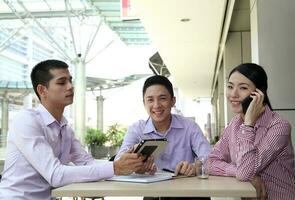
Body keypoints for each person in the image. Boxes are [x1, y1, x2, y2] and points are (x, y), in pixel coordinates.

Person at [0, 59, 146, 200]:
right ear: (42, 90)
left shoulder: (64, 127)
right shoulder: (26, 120)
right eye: (62, 82)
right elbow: (55, 175)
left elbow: (87, 162)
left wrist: (128, 164)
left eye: (70, 80)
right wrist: (116, 167)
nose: (70, 86)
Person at [207, 63, 295, 200]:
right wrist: (239, 172)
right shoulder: (234, 124)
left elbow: (244, 173)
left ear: (259, 93)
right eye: (230, 86)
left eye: (243, 88)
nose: (233, 94)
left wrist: (248, 124)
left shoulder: (279, 126)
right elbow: (210, 162)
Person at [116, 75, 211, 200]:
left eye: (162, 98)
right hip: (154, 191)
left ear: (173, 101)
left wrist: (194, 167)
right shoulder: (137, 129)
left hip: (188, 192)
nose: (156, 105)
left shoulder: (189, 127)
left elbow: (210, 158)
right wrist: (135, 164)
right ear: (144, 103)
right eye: (150, 100)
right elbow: (118, 164)